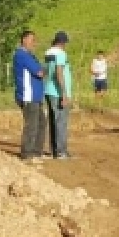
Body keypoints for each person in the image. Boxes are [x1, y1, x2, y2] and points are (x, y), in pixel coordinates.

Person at [13, 30, 46, 161]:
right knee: (31, 125)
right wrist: (46, 69)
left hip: (35, 96)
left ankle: (36, 152)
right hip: (28, 96)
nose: (34, 43)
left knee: (41, 123)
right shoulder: (22, 55)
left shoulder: (29, 56)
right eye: (32, 40)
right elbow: (39, 72)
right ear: (24, 40)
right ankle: (27, 153)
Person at [44, 31, 73, 159]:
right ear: (62, 42)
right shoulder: (61, 54)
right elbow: (59, 73)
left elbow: (46, 71)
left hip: (49, 90)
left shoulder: (48, 52)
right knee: (61, 121)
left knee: (53, 120)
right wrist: (64, 94)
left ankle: (54, 150)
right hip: (58, 92)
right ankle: (61, 151)